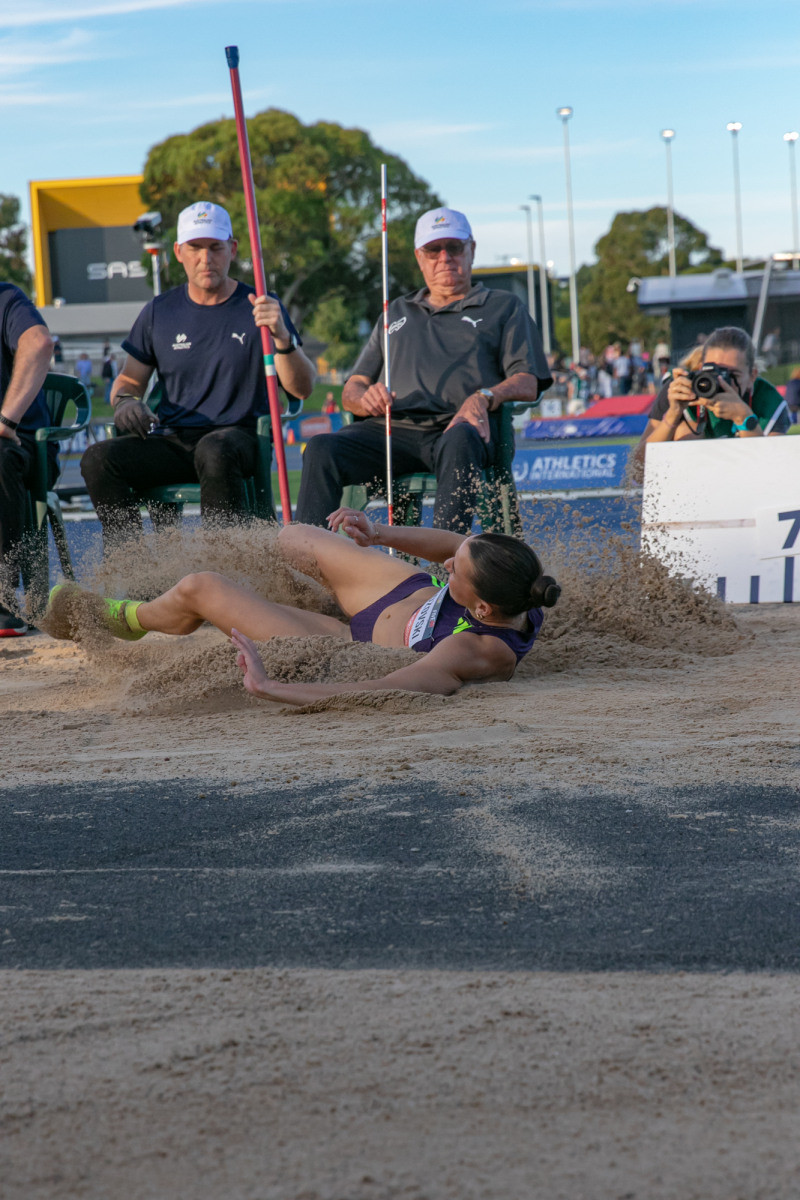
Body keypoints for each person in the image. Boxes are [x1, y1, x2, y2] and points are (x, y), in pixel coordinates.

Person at [44, 508, 561, 702]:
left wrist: (275, 688)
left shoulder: (479, 650)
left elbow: (385, 687)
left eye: (456, 573)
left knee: (200, 587)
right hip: (398, 591)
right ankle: (294, 600)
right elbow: (456, 547)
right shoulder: (517, 575)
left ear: (483, 611)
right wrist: (378, 533)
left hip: (355, 641)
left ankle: (126, 618)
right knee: (293, 538)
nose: (448, 563)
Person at [294, 207, 552, 533]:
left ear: (471, 249)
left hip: (458, 431)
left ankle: (444, 560)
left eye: (454, 247)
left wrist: (485, 396)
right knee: (321, 448)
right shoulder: (394, 311)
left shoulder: (504, 306)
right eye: (433, 250)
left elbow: (528, 381)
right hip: (390, 432)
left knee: (461, 440)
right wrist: (365, 398)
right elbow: (352, 389)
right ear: (419, 257)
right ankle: (308, 553)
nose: (444, 257)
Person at [80, 202, 316, 546]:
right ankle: (130, 562)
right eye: (195, 247)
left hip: (239, 439)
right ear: (179, 252)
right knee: (98, 458)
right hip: (173, 441)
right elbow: (129, 381)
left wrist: (282, 337)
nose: (206, 258)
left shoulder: (261, 306)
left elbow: (303, 388)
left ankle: (221, 562)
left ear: (232, 249)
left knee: (214, 449)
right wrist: (126, 402)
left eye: (215, 247)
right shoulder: (159, 311)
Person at [631, 326, 790, 481]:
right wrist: (672, 417)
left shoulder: (769, 402)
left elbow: (772, 477)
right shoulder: (680, 388)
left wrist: (745, 419)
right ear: (701, 368)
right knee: (685, 430)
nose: (721, 382)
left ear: (752, 376)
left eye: (733, 375)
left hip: (744, 483)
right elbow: (638, 474)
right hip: (692, 488)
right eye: (714, 372)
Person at [0, 284, 57, 636]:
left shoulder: (6, 299)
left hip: (23, 446)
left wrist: (6, 420)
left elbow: (39, 344)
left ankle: (3, 600)